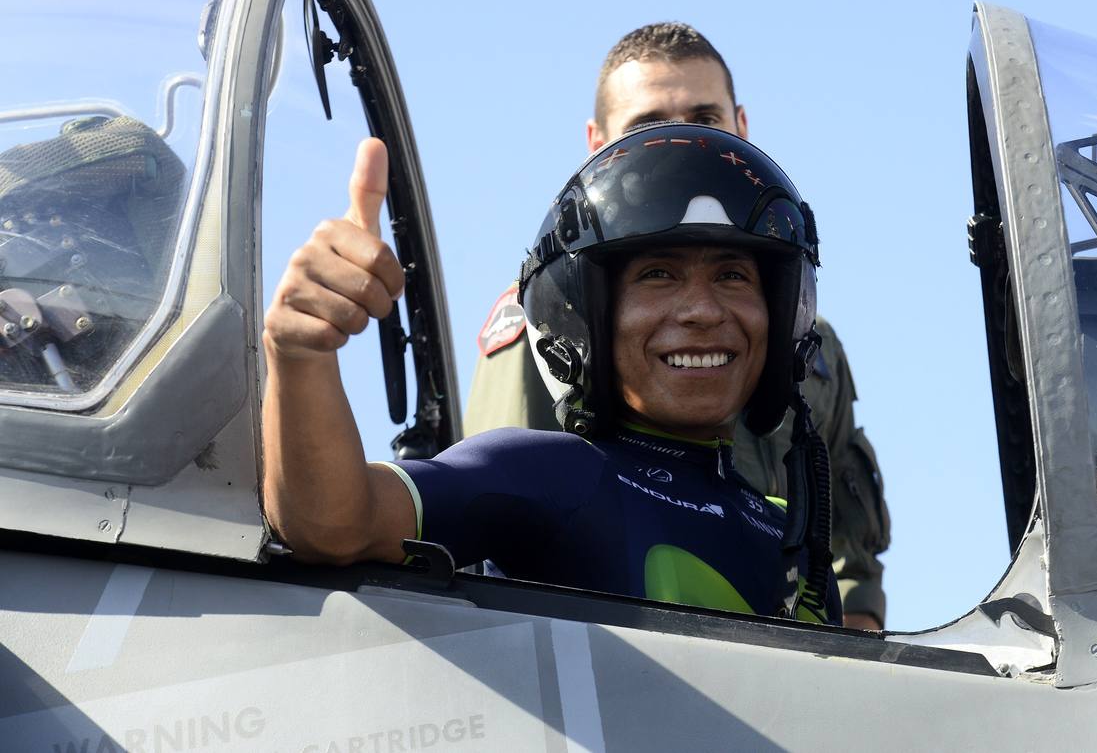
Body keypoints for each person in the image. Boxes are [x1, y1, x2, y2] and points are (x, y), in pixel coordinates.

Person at [262, 124, 841, 624]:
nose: (702, 310)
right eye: (659, 274)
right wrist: (299, 356)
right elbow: (334, 523)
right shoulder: (554, 476)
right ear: (584, 315)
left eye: (733, 276)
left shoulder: (793, 537)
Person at [463, 23, 891, 629]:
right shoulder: (550, 324)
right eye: (648, 125)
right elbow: (497, 542)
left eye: (704, 117)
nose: (681, 138)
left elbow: (848, 562)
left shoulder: (805, 342)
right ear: (597, 143)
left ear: (741, 126)